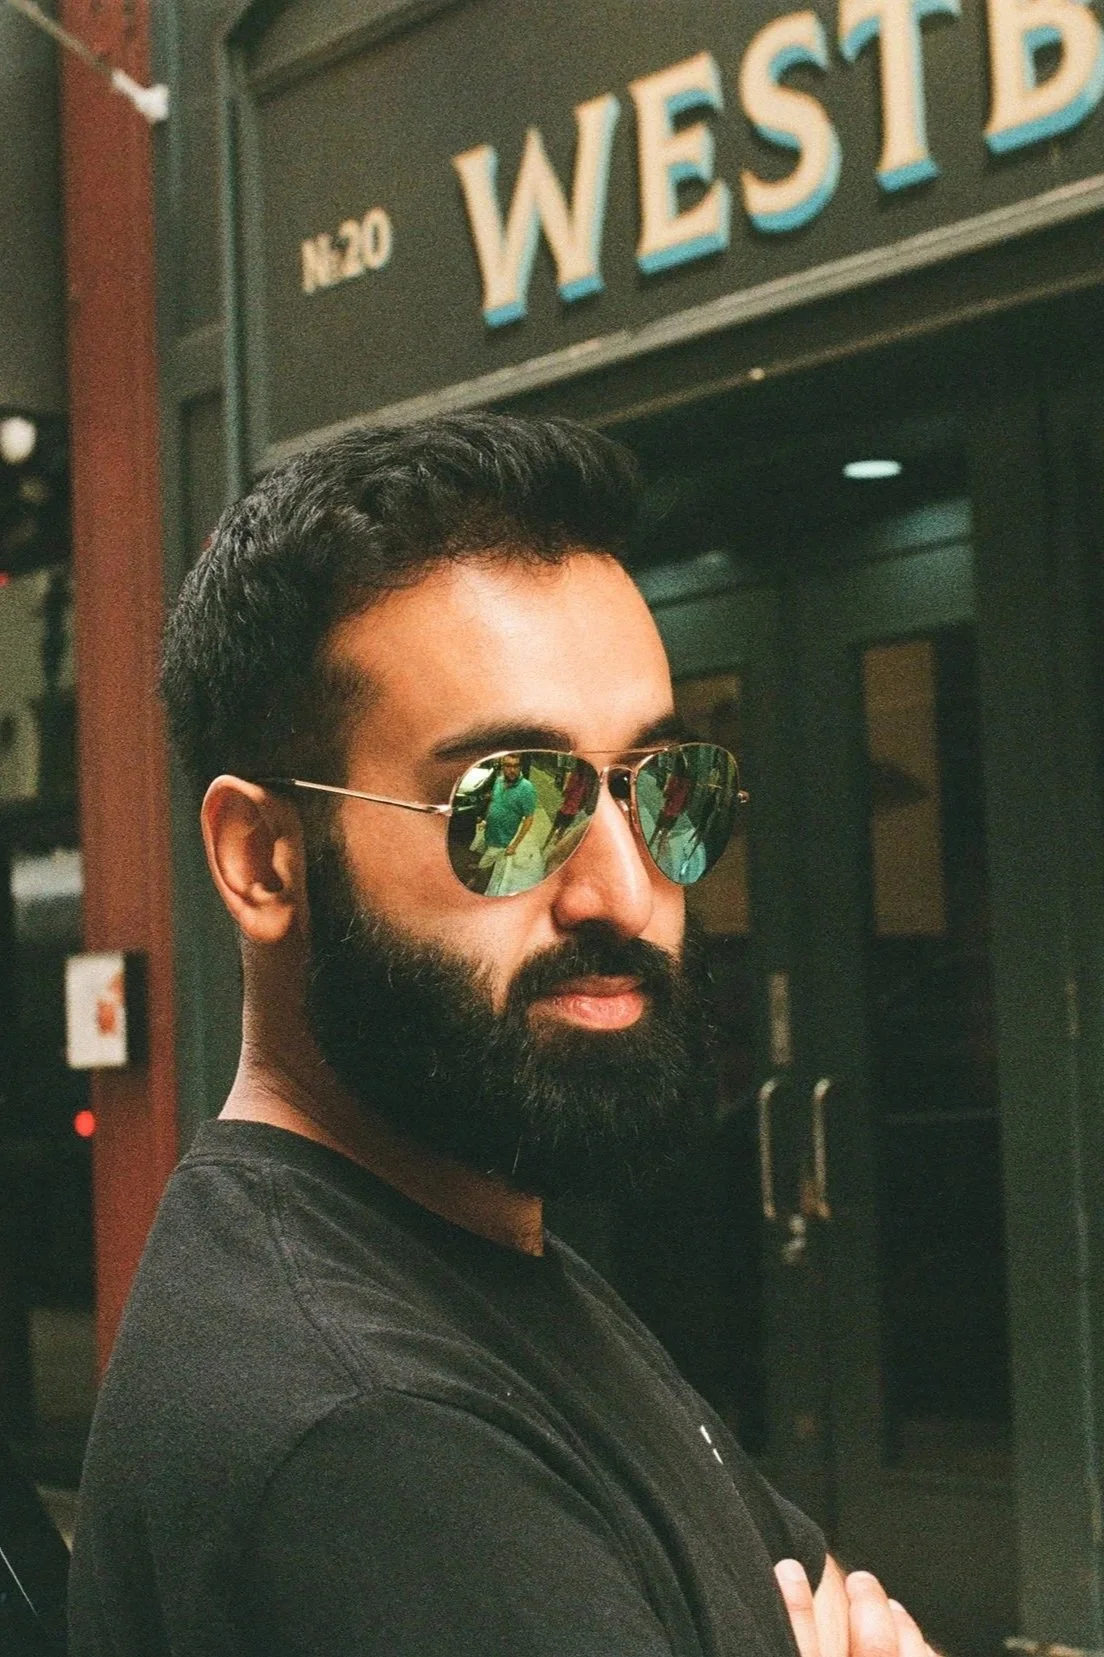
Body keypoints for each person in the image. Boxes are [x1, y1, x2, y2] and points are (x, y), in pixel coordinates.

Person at [69, 415, 932, 1657]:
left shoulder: (476, 1245)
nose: (623, 892)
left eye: (660, 789)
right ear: (263, 860)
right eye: (511, 806)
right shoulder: (371, 1440)